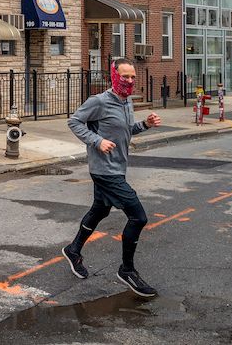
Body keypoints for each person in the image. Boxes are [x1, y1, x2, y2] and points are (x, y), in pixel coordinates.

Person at [63, 58, 162, 297]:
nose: (129, 81)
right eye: (124, 76)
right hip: (104, 171)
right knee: (138, 218)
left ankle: (73, 249)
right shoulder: (99, 101)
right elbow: (74, 121)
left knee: (101, 210)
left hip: (117, 168)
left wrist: (145, 125)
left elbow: (126, 130)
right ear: (113, 76)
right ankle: (126, 270)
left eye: (132, 77)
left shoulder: (127, 102)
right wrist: (97, 141)